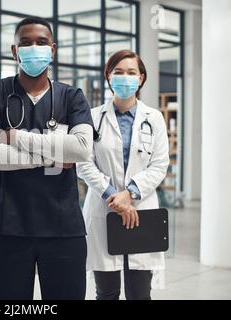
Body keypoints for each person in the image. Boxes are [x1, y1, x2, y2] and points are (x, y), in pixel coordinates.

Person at [0, 17, 95, 300]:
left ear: (53, 49)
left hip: (63, 229)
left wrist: (16, 137)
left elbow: (82, 149)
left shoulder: (72, 97)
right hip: (8, 228)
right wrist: (54, 155)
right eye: (25, 43)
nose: (34, 48)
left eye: (41, 42)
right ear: (14, 51)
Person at [77, 49, 169, 300]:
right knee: (106, 293)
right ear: (108, 76)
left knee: (139, 294)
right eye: (118, 72)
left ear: (141, 78)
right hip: (104, 208)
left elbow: (160, 165)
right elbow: (84, 164)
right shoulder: (92, 117)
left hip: (141, 210)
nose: (125, 78)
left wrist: (129, 195)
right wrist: (114, 197)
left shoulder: (155, 118)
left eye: (131, 72)